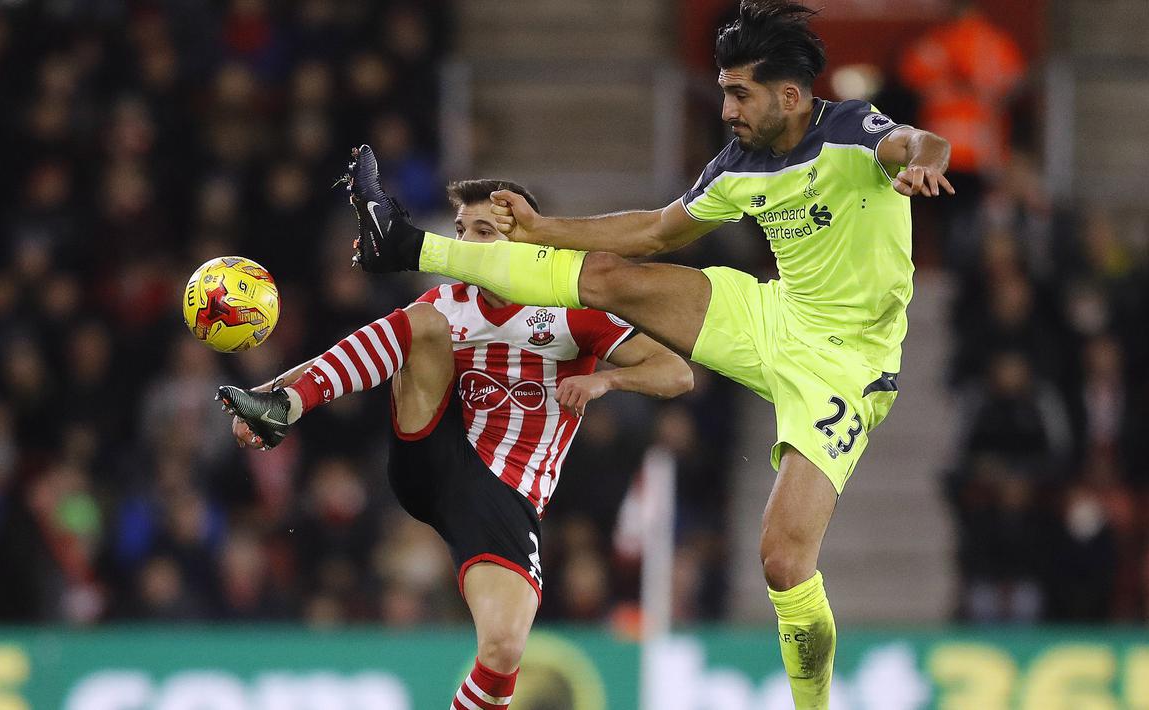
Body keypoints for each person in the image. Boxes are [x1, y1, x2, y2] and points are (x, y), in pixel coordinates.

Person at [342, 2, 953, 706]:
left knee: (783, 562)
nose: (725, 108)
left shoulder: (851, 132)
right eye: (724, 90)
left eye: (737, 93)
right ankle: (407, 246)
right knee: (605, 278)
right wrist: (544, 228)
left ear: (789, 95)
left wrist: (926, 162)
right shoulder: (738, 164)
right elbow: (659, 232)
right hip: (772, 315)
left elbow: (915, 141)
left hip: (849, 364)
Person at [217, 179, 692, 710]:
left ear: (530, 241)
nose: (467, 245)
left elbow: (675, 372)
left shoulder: (575, 308)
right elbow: (372, 343)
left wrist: (604, 380)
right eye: (461, 232)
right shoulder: (445, 303)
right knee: (422, 324)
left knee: (504, 649)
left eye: (484, 232)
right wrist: (274, 393)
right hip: (436, 458)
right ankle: (289, 409)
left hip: (506, 496)